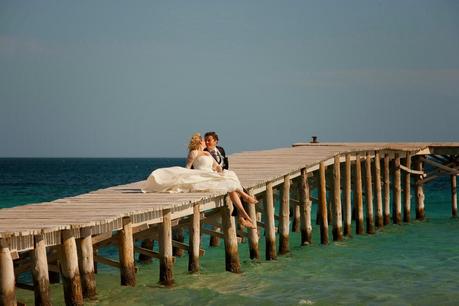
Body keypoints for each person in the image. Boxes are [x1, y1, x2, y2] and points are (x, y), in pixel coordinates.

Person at [142, 133, 257, 228]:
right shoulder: (194, 153)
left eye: (207, 140)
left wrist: (219, 169)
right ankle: (245, 209)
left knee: (230, 179)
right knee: (230, 186)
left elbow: (216, 166)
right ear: (199, 142)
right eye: (203, 140)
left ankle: (244, 216)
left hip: (211, 174)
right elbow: (187, 168)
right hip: (201, 176)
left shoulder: (207, 153)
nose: (205, 142)